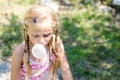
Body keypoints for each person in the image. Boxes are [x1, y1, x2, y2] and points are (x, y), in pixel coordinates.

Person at [10, 5, 73, 80]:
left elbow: (65, 69)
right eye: (36, 36)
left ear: (53, 30)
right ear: (27, 31)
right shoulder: (20, 52)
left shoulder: (56, 43)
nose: (41, 41)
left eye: (46, 35)